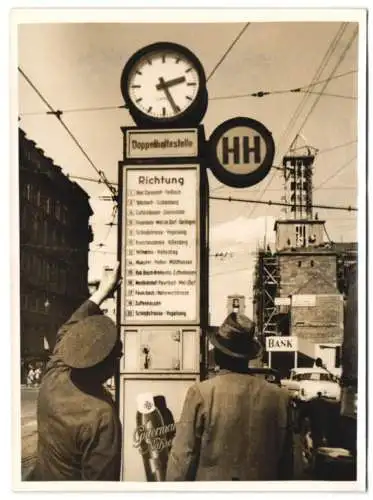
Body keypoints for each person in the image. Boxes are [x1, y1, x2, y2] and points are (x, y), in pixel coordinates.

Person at [166, 312, 294, 481]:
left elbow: (182, 459)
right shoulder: (280, 398)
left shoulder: (201, 393)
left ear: (219, 355)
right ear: (248, 356)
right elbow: (289, 467)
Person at [31, 263, 123, 481]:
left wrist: (101, 292)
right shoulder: (102, 416)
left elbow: (67, 330)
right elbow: (100, 488)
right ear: (107, 368)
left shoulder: (54, 377)